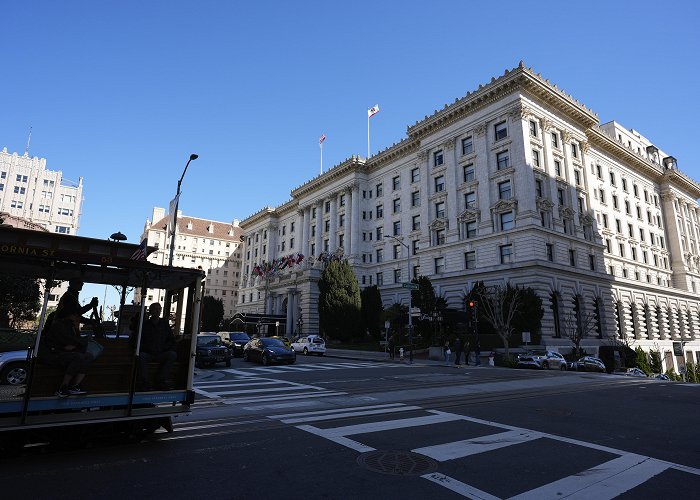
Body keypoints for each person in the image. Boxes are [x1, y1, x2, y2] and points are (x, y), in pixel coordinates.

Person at [39, 310, 94, 397]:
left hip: (65, 352)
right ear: (69, 316)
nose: (77, 319)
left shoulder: (72, 327)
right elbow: (67, 341)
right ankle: (63, 387)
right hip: (54, 354)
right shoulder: (59, 326)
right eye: (75, 316)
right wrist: (77, 344)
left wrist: (77, 344)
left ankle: (75, 385)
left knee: (88, 356)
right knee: (78, 357)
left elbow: (75, 342)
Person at [132, 303, 177, 391]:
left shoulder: (164, 324)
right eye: (155, 309)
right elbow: (136, 340)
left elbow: (171, 340)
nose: (157, 311)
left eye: (159, 309)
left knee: (172, 355)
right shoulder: (145, 325)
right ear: (151, 311)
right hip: (148, 353)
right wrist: (146, 348)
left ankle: (162, 380)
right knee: (142, 356)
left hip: (161, 353)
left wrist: (164, 348)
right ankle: (144, 382)